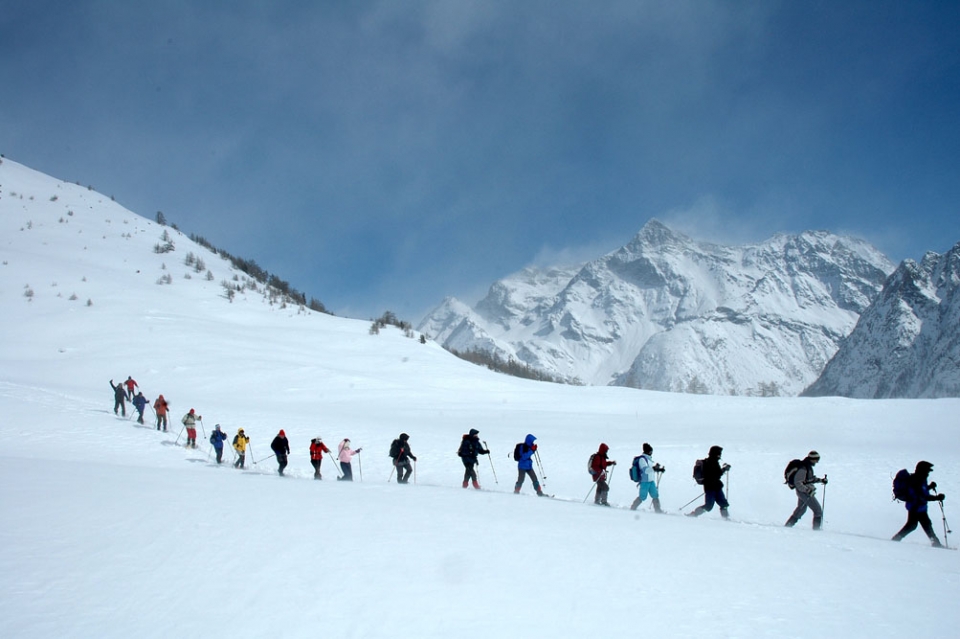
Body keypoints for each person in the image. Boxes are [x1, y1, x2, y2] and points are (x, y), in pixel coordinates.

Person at [892, 461, 946, 547]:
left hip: (918, 506)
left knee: (918, 524)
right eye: (928, 470)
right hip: (915, 507)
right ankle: (935, 543)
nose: (928, 472)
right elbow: (921, 495)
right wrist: (937, 498)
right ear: (922, 470)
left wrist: (930, 487)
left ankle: (896, 538)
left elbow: (921, 492)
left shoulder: (919, 478)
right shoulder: (917, 480)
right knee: (914, 525)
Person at [784, 451, 827, 530]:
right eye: (817, 459)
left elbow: (809, 479)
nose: (817, 461)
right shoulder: (803, 468)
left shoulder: (807, 467)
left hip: (804, 492)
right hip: (804, 493)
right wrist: (808, 491)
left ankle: (788, 526)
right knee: (818, 510)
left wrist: (821, 480)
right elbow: (798, 483)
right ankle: (816, 530)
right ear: (812, 459)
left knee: (801, 510)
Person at [687, 445, 731, 519]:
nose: (720, 455)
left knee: (723, 504)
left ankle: (725, 518)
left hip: (715, 486)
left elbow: (716, 474)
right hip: (710, 487)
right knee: (709, 506)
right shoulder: (710, 462)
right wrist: (724, 469)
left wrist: (723, 470)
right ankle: (694, 514)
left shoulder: (713, 462)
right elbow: (716, 475)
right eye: (719, 453)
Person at [630, 442, 664, 512]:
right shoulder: (642, 459)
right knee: (642, 496)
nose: (652, 452)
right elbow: (645, 470)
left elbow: (651, 469)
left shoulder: (648, 459)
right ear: (647, 451)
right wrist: (654, 468)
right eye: (651, 451)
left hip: (651, 481)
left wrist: (659, 469)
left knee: (655, 495)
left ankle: (658, 510)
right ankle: (633, 508)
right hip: (644, 481)